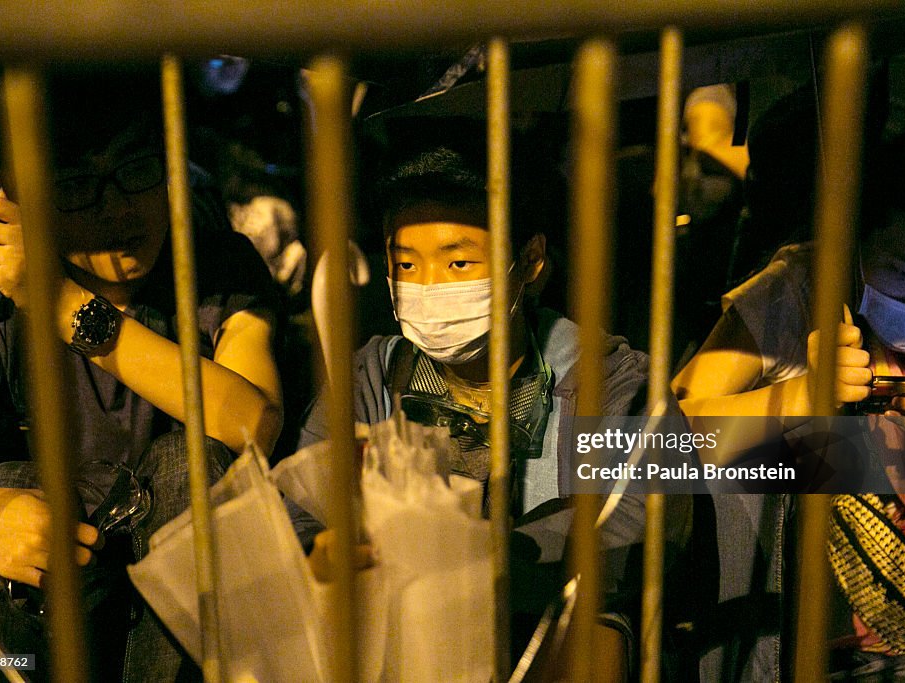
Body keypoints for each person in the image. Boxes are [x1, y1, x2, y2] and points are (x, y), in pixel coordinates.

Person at [295, 139, 695, 680]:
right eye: (406, 265)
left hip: (537, 636)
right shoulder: (367, 378)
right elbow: (301, 507)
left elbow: (637, 520)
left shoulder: (610, 379)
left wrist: (469, 556)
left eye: (459, 262)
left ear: (529, 261)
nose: (429, 287)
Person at [0, 66, 284, 681]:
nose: (117, 208)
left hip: (191, 635)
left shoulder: (216, 267)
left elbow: (253, 422)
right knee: (5, 488)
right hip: (35, 634)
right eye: (77, 184)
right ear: (14, 195)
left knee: (191, 464)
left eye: (137, 169)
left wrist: (58, 302)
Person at [672, 118, 905, 681]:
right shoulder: (802, 288)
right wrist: (801, 397)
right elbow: (661, 441)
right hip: (783, 642)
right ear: (855, 244)